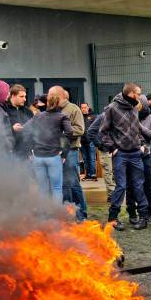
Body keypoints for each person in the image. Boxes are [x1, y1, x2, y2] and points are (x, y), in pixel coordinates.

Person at [99, 82, 149, 231]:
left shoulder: (135, 107)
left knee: (138, 185)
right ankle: (113, 218)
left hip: (135, 153)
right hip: (120, 153)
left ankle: (143, 217)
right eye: (138, 94)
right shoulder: (112, 108)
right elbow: (102, 132)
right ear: (131, 94)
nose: (140, 96)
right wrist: (113, 148)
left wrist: (141, 144)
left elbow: (136, 129)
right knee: (120, 186)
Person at [17, 86, 73, 202]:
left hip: (38, 157)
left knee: (42, 189)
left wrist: (29, 150)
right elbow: (70, 133)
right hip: (54, 157)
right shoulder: (62, 117)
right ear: (58, 102)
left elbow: (25, 130)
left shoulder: (37, 116)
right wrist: (64, 153)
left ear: (47, 102)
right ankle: (56, 218)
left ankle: (44, 217)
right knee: (56, 188)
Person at [126, 95, 151, 225]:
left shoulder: (150, 118)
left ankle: (148, 213)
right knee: (130, 186)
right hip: (130, 155)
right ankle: (132, 213)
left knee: (147, 185)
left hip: (145, 156)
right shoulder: (127, 116)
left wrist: (140, 127)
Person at [59, 89, 87, 221]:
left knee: (73, 183)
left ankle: (81, 214)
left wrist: (62, 131)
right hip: (58, 152)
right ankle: (68, 214)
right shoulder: (55, 110)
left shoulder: (73, 109)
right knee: (64, 184)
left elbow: (80, 129)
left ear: (62, 96)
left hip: (70, 150)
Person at [88, 112, 116, 201]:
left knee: (117, 172)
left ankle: (117, 193)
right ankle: (112, 194)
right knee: (108, 171)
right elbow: (91, 131)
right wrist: (100, 144)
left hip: (117, 148)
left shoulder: (120, 115)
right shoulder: (103, 116)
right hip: (105, 149)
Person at [8, 84, 34, 161]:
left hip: (26, 154)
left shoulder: (28, 112)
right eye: (21, 96)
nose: (25, 99)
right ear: (13, 96)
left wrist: (32, 150)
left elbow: (33, 132)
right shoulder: (4, 111)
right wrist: (12, 129)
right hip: (10, 153)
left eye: (25, 96)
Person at [79, 103, 98, 181]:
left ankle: (93, 174)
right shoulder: (79, 117)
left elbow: (97, 128)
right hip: (82, 141)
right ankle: (88, 174)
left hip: (91, 141)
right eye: (82, 108)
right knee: (85, 159)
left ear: (88, 108)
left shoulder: (93, 116)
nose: (83, 109)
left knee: (92, 158)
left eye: (85, 107)